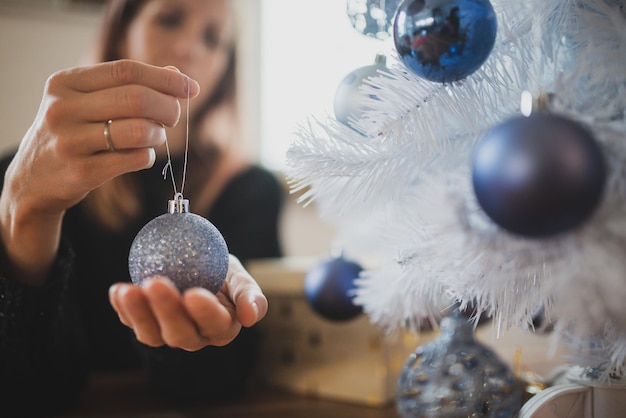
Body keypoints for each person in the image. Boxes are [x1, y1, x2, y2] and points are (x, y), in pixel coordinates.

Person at [0, 0, 283, 415]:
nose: (190, 48)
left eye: (213, 38)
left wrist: (190, 340)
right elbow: (22, 393)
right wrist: (27, 218)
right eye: (170, 19)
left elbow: (236, 377)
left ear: (226, 71)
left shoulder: (250, 190)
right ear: (121, 31)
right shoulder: (26, 175)